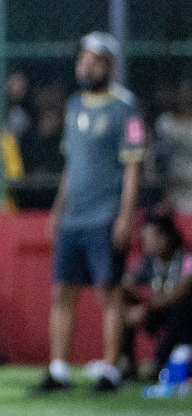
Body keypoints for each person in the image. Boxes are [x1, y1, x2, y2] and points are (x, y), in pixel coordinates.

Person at [37, 33, 145, 394]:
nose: (86, 66)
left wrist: (125, 215)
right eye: (83, 59)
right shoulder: (74, 106)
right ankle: (58, 369)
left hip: (105, 214)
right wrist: (58, 208)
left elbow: (132, 166)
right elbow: (72, 166)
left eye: (94, 61)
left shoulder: (126, 108)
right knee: (62, 291)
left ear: (109, 66)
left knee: (108, 292)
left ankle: (109, 370)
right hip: (73, 217)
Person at [124, 214, 192, 382]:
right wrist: (130, 293)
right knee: (123, 308)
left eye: (149, 238)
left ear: (164, 238)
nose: (145, 243)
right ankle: (125, 363)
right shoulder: (150, 263)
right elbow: (129, 279)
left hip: (184, 320)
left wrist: (146, 306)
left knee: (180, 308)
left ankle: (158, 363)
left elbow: (181, 291)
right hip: (158, 312)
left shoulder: (186, 259)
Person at [154, 79, 192, 215]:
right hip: (172, 201)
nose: (185, 96)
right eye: (182, 91)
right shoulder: (164, 123)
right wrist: (165, 196)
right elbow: (158, 166)